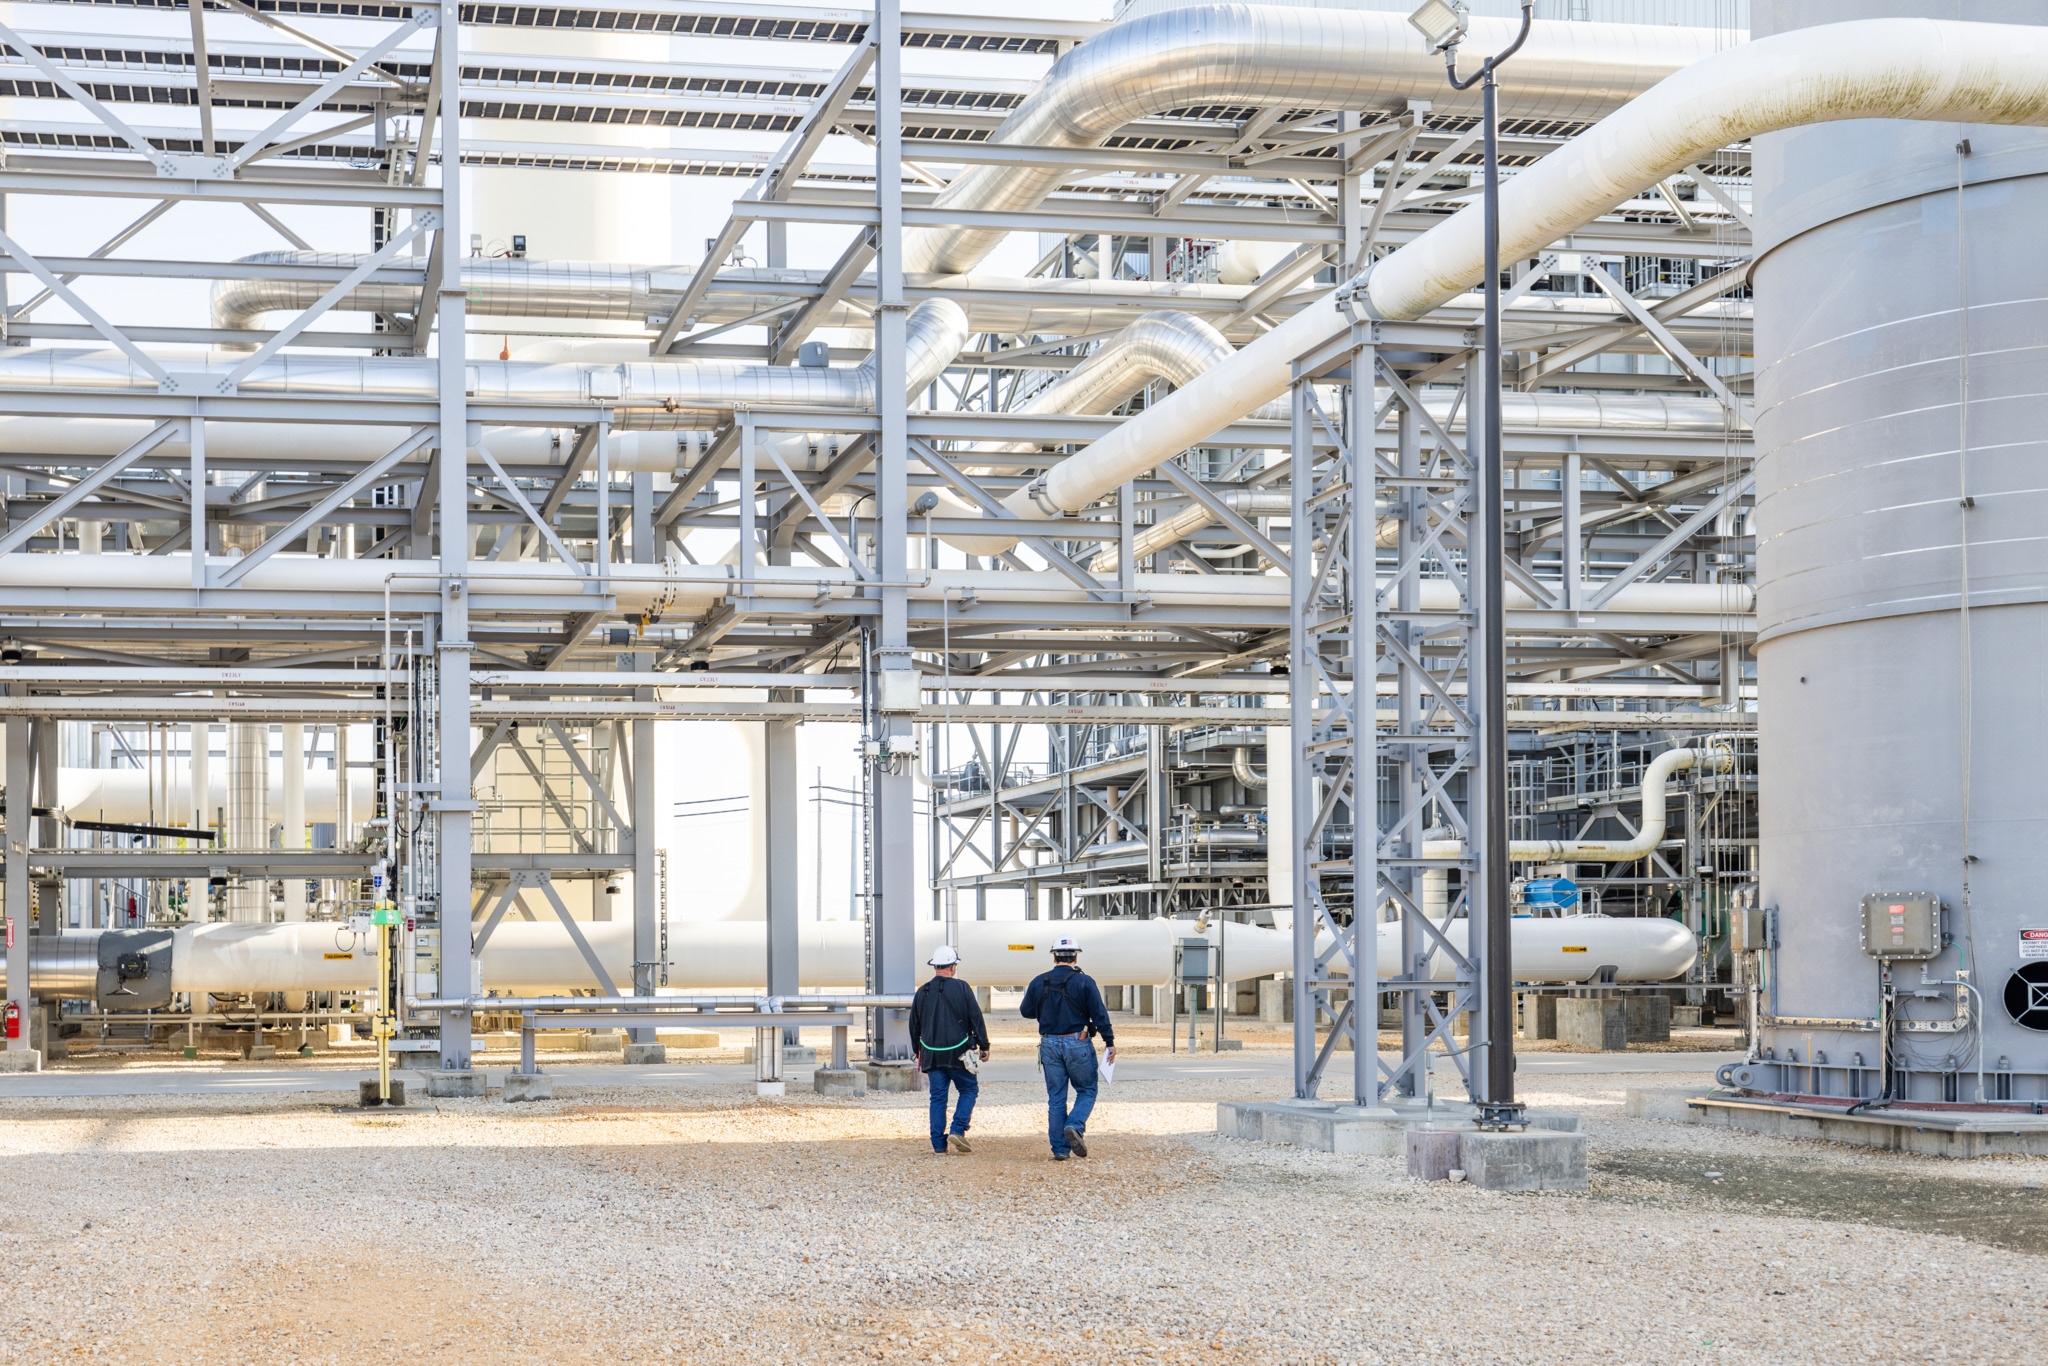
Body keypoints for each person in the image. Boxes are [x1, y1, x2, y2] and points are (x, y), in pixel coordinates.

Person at [1019, 934, 1116, 1161]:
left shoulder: (1038, 981)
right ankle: (1074, 1125)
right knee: (1087, 1089)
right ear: (1075, 956)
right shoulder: (1084, 982)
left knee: (1056, 1097)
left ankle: (1060, 1150)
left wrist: (1046, 1011)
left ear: (1054, 957)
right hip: (1077, 1041)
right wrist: (1109, 1042)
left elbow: (1025, 1011)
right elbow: (1099, 1014)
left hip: (1049, 1043)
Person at [906, 945, 990, 1155]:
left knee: (938, 1097)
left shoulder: (922, 991)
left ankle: (938, 1145)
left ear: (935, 967)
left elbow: (914, 1025)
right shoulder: (962, 988)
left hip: (931, 1053)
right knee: (969, 1090)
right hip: (959, 1053)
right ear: (953, 967)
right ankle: (957, 1129)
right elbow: (976, 1018)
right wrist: (984, 1045)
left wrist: (918, 1051)